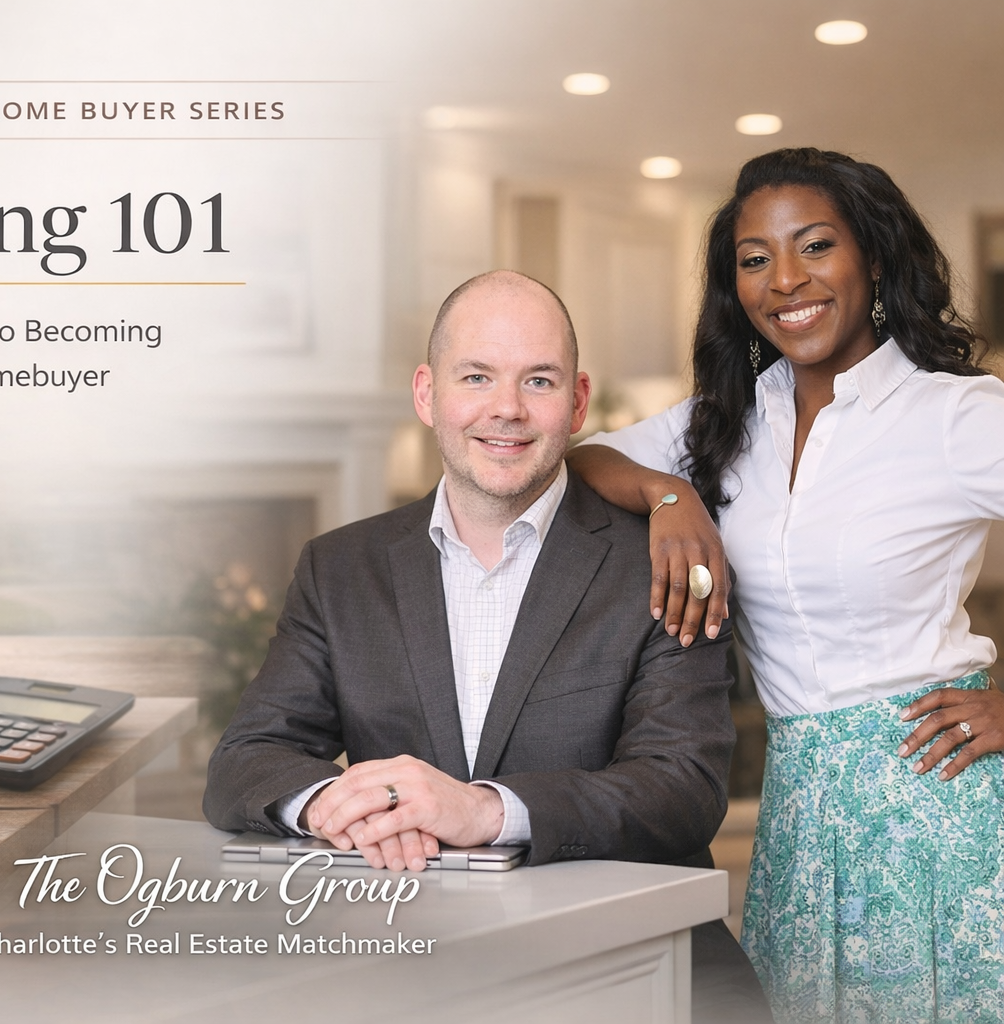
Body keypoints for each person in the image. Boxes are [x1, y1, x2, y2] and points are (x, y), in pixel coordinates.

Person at [205, 269, 770, 1022]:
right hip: (416, 967)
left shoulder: (662, 563)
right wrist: (337, 803)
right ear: (426, 393)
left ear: (577, 402)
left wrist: (485, 812)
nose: (507, 408)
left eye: (538, 380)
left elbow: (682, 791)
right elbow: (246, 758)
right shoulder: (339, 568)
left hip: (632, 973)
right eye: (476, 376)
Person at [569, 147, 1004, 1024]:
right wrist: (669, 494)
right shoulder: (726, 422)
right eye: (755, 259)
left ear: (873, 257)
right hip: (799, 816)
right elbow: (579, 461)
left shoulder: (955, 415)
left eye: (815, 246)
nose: (785, 281)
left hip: (941, 808)